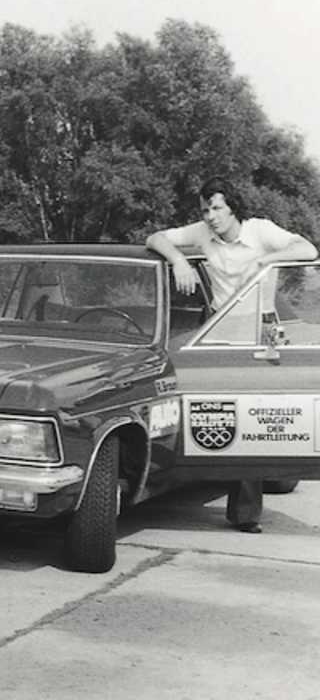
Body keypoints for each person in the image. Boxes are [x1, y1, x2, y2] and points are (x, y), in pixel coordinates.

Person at [146, 175, 318, 534]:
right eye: (206, 209)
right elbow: (155, 238)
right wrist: (178, 261)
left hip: (261, 328)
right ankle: (192, 478)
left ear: (232, 208)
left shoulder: (260, 231)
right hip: (219, 328)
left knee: (254, 413)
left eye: (217, 208)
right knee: (214, 409)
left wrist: (266, 263)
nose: (210, 216)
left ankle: (246, 514)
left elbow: (308, 250)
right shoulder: (201, 233)